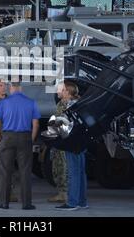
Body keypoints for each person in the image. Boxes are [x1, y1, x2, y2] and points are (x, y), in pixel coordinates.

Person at [0, 82, 40, 210]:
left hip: (7, 137)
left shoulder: (2, 103)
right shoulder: (31, 102)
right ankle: (26, 204)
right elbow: (36, 124)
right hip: (25, 137)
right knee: (25, 171)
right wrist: (30, 139)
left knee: (5, 171)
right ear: (21, 88)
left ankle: (4, 203)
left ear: (11, 88)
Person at [55, 81, 89, 211]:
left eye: (62, 90)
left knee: (73, 172)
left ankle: (72, 202)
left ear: (67, 92)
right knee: (80, 172)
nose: (60, 91)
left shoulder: (68, 106)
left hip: (72, 142)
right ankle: (82, 201)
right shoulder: (79, 103)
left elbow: (62, 126)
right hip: (81, 141)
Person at [47, 83, 68, 203]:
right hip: (59, 140)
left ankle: (65, 194)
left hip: (64, 141)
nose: (57, 92)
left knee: (64, 167)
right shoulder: (60, 104)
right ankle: (62, 193)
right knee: (58, 166)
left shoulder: (68, 104)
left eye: (59, 90)